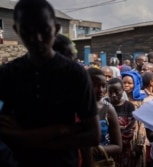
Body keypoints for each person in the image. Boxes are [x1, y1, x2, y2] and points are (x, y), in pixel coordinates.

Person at [0, 0, 100, 167]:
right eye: (27, 31)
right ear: (17, 30)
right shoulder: (7, 74)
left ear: (56, 28)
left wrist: (23, 137)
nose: (36, 39)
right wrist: (61, 130)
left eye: (44, 30)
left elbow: (93, 135)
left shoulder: (74, 74)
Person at [87, 68, 122, 161]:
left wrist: (93, 150)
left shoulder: (108, 109)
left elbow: (118, 146)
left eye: (103, 86)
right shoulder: (74, 108)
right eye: (95, 85)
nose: (101, 90)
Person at [107, 78, 135, 167]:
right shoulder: (104, 105)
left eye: (117, 91)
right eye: (110, 92)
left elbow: (130, 130)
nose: (114, 95)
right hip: (107, 151)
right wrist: (120, 128)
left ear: (123, 90)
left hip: (124, 150)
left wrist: (112, 130)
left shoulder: (129, 106)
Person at [121, 71, 147, 167]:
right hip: (122, 137)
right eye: (124, 83)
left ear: (135, 84)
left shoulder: (140, 101)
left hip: (135, 137)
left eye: (130, 83)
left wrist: (140, 141)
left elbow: (143, 123)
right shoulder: (119, 99)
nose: (126, 85)